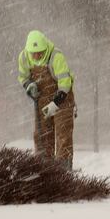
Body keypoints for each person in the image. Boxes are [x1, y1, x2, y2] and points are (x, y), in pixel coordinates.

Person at [17, 30, 76, 170]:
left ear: (45, 48)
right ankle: (44, 169)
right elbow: (23, 77)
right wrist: (28, 85)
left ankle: (63, 171)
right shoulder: (24, 57)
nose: (37, 55)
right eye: (34, 53)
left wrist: (55, 104)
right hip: (42, 99)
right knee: (42, 135)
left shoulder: (56, 56)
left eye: (40, 52)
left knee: (63, 135)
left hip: (63, 98)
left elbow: (65, 83)